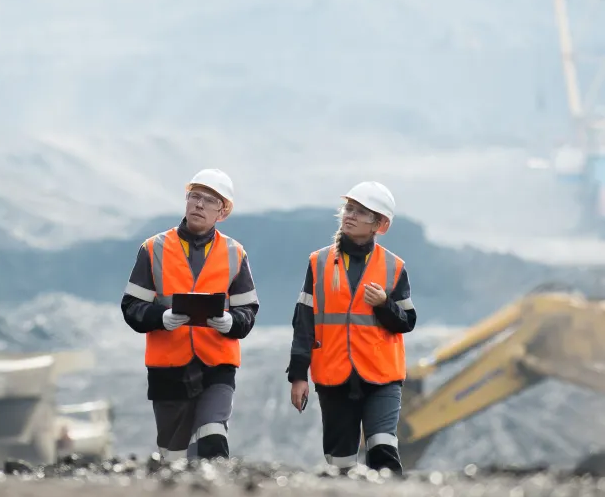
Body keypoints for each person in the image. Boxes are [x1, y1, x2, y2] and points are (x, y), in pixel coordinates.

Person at [121, 168, 260, 461]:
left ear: (222, 212)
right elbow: (131, 307)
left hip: (216, 366)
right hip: (168, 368)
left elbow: (248, 310)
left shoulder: (236, 254)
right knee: (173, 458)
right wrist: (160, 317)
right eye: (194, 196)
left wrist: (231, 322)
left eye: (209, 200)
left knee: (212, 438)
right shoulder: (153, 249)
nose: (199, 204)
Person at [286, 181, 416, 475]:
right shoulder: (318, 262)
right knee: (340, 463)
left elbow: (407, 321)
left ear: (379, 225)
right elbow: (304, 322)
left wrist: (384, 304)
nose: (350, 215)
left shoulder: (394, 267)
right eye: (349, 208)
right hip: (334, 377)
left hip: (382, 376)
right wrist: (298, 376)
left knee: (383, 449)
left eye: (361, 212)